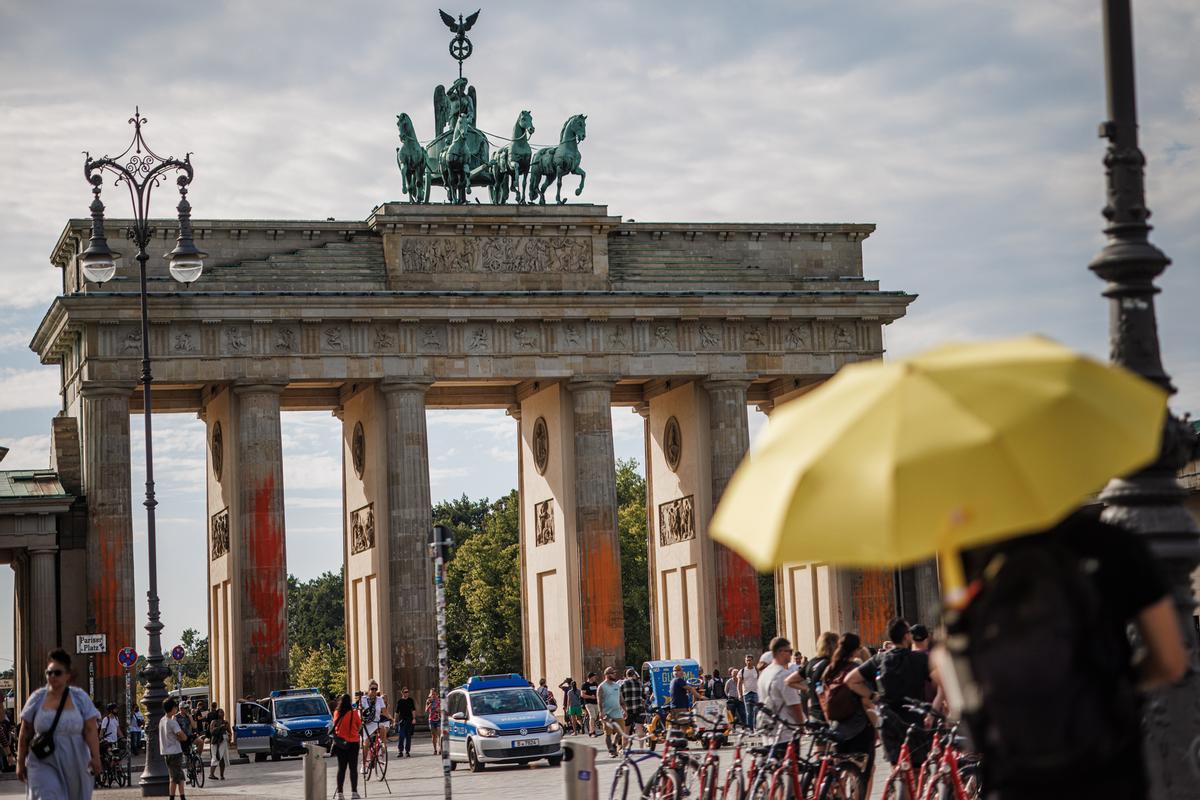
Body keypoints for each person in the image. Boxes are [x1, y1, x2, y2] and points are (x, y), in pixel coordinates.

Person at [956, 507, 1188, 800]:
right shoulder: (1111, 543)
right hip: (1106, 772)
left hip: (1015, 774)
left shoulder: (979, 554)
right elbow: (1171, 663)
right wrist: (1118, 683)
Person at [846, 618, 942, 769]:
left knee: (896, 769)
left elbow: (850, 680)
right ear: (906, 637)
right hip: (914, 722)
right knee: (916, 772)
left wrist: (873, 696)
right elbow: (943, 683)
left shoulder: (880, 658)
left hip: (889, 722)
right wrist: (933, 711)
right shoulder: (920, 659)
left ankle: (895, 790)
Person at [16, 649, 102, 799]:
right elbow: (25, 731)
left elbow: (90, 729)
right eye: (49, 673)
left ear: (67, 675)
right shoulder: (37, 698)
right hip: (42, 760)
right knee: (47, 795)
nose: (52, 677)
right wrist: (20, 761)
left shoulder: (80, 698)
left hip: (74, 760)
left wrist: (96, 757)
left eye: (57, 672)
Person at [822, 633, 876, 799]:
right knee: (864, 773)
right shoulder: (854, 670)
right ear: (856, 650)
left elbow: (824, 698)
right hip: (859, 728)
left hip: (837, 728)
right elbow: (866, 702)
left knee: (839, 772)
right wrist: (877, 724)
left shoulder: (830, 669)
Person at [758, 637, 805, 756]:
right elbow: (794, 704)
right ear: (779, 652)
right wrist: (801, 726)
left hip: (768, 732)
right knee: (791, 771)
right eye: (789, 651)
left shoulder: (764, 674)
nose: (791, 654)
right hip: (785, 733)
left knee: (774, 769)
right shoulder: (783, 674)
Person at [801, 631, 838, 722]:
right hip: (828, 713)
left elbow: (790, 680)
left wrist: (809, 688)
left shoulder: (811, 663)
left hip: (813, 713)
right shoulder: (830, 664)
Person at [331, 693, 362, 800]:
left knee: (341, 769)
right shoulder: (354, 713)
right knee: (353, 769)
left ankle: (340, 793)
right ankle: (354, 792)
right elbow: (359, 726)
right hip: (353, 743)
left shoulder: (336, 713)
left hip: (340, 744)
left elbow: (335, 726)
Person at [159, 697, 189, 800]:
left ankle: (182, 796)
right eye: (176, 707)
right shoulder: (172, 723)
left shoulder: (162, 721)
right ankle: (174, 797)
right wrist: (180, 736)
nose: (176, 710)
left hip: (166, 752)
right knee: (175, 777)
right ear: (172, 708)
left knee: (178, 776)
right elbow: (183, 737)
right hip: (175, 752)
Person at [596, 667, 625, 756]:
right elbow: (599, 701)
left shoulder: (617, 686)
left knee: (621, 731)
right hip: (607, 714)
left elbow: (621, 699)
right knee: (608, 733)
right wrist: (601, 712)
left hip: (618, 712)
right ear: (607, 675)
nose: (615, 675)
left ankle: (614, 744)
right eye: (613, 673)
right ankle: (611, 751)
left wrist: (625, 710)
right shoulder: (602, 686)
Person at [358, 681, 389, 748]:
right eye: (372, 689)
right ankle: (365, 758)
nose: (374, 690)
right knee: (366, 744)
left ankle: (383, 745)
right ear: (369, 689)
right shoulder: (363, 699)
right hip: (367, 724)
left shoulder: (380, 699)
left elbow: (384, 712)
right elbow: (360, 711)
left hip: (376, 722)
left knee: (383, 728)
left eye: (376, 689)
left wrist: (390, 719)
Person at [619, 668, 646, 740]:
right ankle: (641, 749)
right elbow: (644, 696)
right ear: (634, 674)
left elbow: (620, 698)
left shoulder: (622, 684)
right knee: (640, 729)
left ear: (627, 675)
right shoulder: (640, 684)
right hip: (639, 709)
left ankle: (624, 749)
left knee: (626, 732)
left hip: (627, 710)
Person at [737, 654, 760, 729]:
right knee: (749, 712)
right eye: (747, 660)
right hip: (746, 693)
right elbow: (739, 684)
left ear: (753, 661)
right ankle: (750, 729)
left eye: (750, 660)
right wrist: (739, 694)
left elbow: (760, 681)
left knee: (756, 711)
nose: (749, 662)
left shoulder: (756, 670)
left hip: (755, 692)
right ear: (745, 661)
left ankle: (756, 728)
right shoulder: (742, 671)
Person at [207, 707, 229, 780]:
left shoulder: (226, 722)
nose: (222, 713)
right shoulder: (214, 721)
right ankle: (211, 774)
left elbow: (229, 731)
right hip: (215, 742)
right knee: (216, 757)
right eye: (220, 712)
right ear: (217, 713)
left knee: (222, 759)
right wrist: (220, 727)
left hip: (223, 741)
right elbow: (212, 732)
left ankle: (222, 775)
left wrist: (229, 735)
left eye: (223, 712)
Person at [394, 687, 415, 758]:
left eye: (407, 691)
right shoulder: (399, 701)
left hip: (409, 720)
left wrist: (414, 718)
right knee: (401, 736)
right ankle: (400, 751)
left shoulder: (411, 700)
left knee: (408, 737)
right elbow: (396, 712)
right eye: (405, 692)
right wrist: (395, 721)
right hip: (402, 721)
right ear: (402, 693)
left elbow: (413, 710)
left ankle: (407, 752)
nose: (407, 693)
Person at [425, 688, 442, 755]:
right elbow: (426, 710)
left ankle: (440, 748)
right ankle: (435, 749)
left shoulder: (439, 701)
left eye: (434, 694)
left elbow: (443, 710)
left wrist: (439, 710)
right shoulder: (428, 701)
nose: (433, 695)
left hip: (438, 719)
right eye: (432, 694)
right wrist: (430, 704)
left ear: (436, 694)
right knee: (433, 736)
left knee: (439, 734)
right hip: (431, 719)